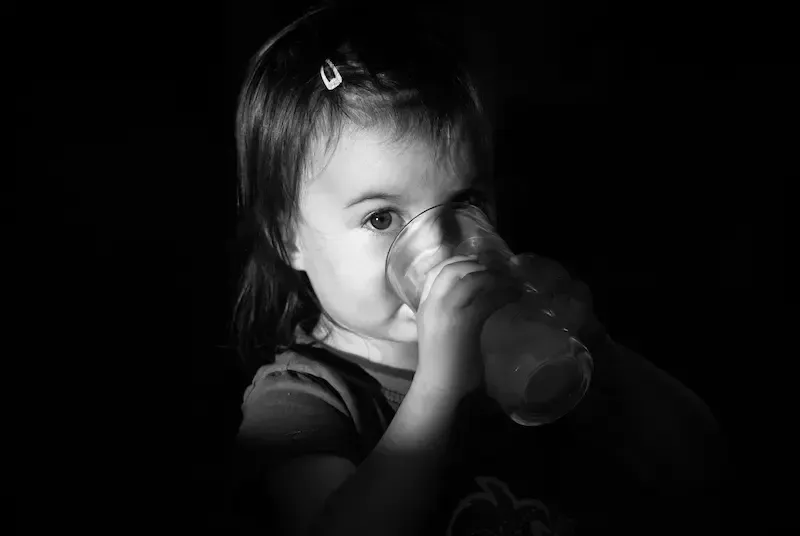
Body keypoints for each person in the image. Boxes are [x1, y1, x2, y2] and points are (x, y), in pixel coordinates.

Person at [227, 2, 728, 535]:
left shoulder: (519, 342)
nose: (440, 246)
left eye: (464, 201)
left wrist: (601, 351)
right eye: (380, 217)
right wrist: (438, 389)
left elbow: (700, 465)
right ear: (288, 237)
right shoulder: (303, 399)